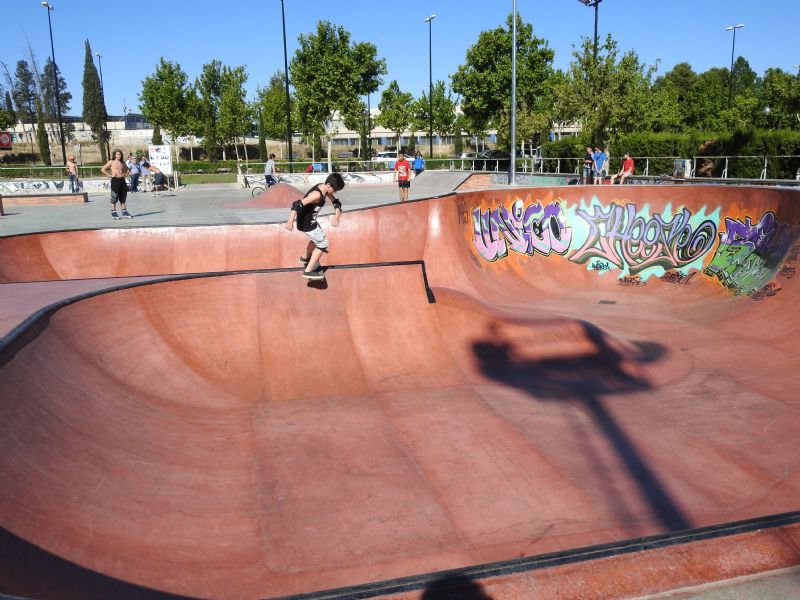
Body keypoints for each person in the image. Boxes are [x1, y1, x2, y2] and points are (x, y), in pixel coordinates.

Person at [285, 173, 345, 280]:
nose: (334, 192)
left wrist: (336, 217)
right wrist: (290, 221)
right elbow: (297, 204)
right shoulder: (317, 195)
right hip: (306, 223)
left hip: (310, 221)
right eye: (334, 189)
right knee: (323, 243)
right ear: (328, 185)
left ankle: (305, 258)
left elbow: (336, 203)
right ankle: (308, 271)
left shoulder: (324, 188)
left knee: (317, 238)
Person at [101, 149, 132, 219]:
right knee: (114, 196)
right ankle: (113, 212)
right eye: (117, 154)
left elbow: (128, 169)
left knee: (123, 196)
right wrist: (109, 175)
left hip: (122, 180)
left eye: (120, 154)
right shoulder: (111, 162)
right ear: (114, 155)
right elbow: (103, 169)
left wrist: (126, 174)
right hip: (115, 180)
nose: (119, 155)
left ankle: (124, 212)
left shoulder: (123, 163)